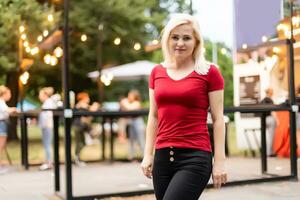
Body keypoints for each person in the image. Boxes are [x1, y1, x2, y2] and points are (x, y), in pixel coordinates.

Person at [141, 13, 227, 200]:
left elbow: (218, 119)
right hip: (162, 157)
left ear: (196, 41)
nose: (180, 43)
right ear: (167, 40)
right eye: (175, 37)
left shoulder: (209, 72)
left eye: (186, 38)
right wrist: (148, 154)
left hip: (195, 157)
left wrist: (219, 161)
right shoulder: (157, 72)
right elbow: (153, 116)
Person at [122, 90, 145, 160]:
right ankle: (131, 156)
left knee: (141, 139)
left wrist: (124, 102)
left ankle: (144, 156)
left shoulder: (136, 103)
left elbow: (129, 108)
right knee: (131, 140)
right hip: (131, 121)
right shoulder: (128, 102)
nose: (129, 97)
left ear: (135, 96)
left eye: (130, 95)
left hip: (138, 121)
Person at [38, 87, 57, 170]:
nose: (39, 96)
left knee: (47, 144)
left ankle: (49, 162)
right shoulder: (47, 102)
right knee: (46, 144)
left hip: (47, 126)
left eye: (40, 95)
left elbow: (48, 115)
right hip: (45, 126)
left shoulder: (48, 103)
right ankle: (48, 161)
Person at [0, 86, 16, 174]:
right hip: (1, 124)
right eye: (9, 93)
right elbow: (7, 110)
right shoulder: (1, 102)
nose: (10, 95)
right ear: (4, 94)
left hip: (2, 123)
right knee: (0, 146)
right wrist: (14, 109)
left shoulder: (2, 102)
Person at [73, 92, 92, 166]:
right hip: (78, 126)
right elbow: (86, 114)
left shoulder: (81, 105)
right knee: (79, 143)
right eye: (87, 97)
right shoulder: (81, 105)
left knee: (82, 143)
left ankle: (77, 157)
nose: (88, 99)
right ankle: (76, 158)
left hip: (80, 126)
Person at [260, 87, 277, 156]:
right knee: (271, 136)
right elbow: (273, 111)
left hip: (263, 119)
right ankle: (269, 152)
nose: (273, 93)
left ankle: (265, 152)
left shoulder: (262, 100)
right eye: (272, 91)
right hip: (270, 119)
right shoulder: (270, 100)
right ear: (269, 92)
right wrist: (277, 120)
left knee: (264, 137)